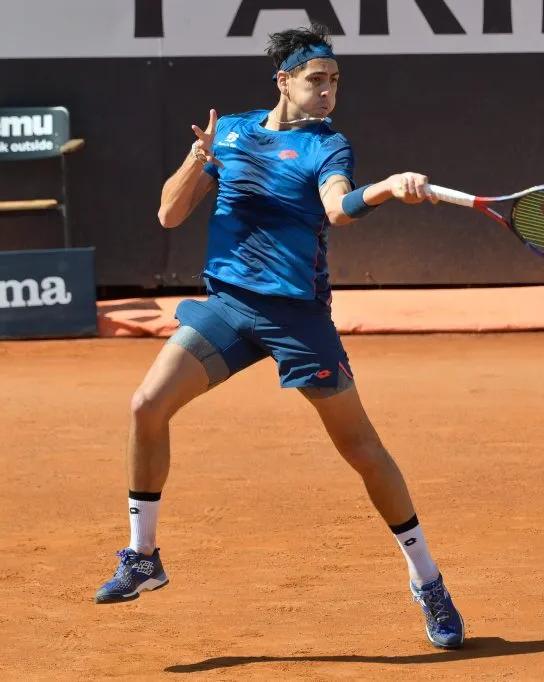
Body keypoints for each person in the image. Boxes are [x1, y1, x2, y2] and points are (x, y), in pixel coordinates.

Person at [94, 22, 464, 650]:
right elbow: (169, 213)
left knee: (362, 450)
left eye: (335, 81)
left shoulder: (329, 146)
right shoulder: (231, 132)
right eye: (317, 80)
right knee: (146, 405)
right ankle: (142, 556)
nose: (328, 92)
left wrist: (385, 189)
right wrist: (198, 157)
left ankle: (427, 579)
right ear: (283, 81)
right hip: (229, 307)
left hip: (297, 320)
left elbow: (337, 209)